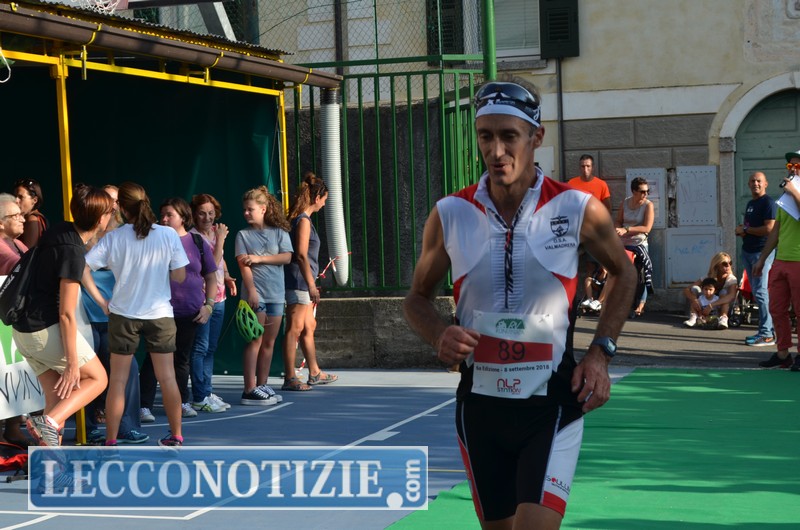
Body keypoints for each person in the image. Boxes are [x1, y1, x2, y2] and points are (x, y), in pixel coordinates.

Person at [403, 81, 636, 529]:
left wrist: (600, 353)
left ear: (536, 137)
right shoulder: (450, 213)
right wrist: (438, 333)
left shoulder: (577, 207)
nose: (496, 151)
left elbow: (625, 273)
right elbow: (416, 298)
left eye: (509, 136)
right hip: (480, 406)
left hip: (552, 404)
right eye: (485, 136)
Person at [85, 182, 189, 447]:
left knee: (117, 381)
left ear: (121, 207)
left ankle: (110, 439)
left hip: (123, 314)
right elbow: (179, 275)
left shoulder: (114, 238)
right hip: (160, 314)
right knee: (167, 377)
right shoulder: (168, 234)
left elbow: (82, 267)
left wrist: (101, 300)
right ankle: (176, 435)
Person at [12, 184, 113, 447]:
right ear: (100, 219)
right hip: (43, 330)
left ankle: (50, 467)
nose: (112, 217)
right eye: (110, 212)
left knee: (57, 400)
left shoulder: (60, 231)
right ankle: (49, 422)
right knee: (98, 378)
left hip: (24, 333)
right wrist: (72, 363)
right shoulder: (73, 251)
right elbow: (67, 314)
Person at [138, 198, 218, 419]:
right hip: (159, 312)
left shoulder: (197, 242)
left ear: (183, 217)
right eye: (162, 215)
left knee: (181, 359)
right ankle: (144, 406)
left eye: (169, 215)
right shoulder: (153, 241)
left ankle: (182, 402)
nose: (164, 219)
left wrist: (209, 306)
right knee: (153, 358)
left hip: (189, 313)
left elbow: (211, 277)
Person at [82, 185, 149, 444]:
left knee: (128, 372)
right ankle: (87, 428)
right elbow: (78, 269)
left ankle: (127, 426)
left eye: (116, 201)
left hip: (116, 318)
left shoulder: (126, 235)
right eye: (108, 200)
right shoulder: (83, 233)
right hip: (85, 317)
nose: (113, 205)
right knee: (86, 375)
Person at [235, 186, 293, 404]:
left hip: (276, 295)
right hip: (255, 296)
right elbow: (243, 265)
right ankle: (249, 388)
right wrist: (251, 291)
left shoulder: (279, 232)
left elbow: (286, 257)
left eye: (250, 209)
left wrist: (259, 259)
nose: (246, 213)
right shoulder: (242, 235)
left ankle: (262, 384)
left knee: (269, 342)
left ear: (263, 209)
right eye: (244, 209)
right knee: (255, 340)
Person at [282, 173, 338, 391]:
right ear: (317, 198)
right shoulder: (303, 221)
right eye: (324, 199)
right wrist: (312, 285)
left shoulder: (301, 219)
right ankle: (290, 378)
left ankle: (314, 372)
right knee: (294, 328)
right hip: (299, 282)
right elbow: (301, 255)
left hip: (302, 281)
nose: (324, 204)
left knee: (308, 326)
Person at [189, 194, 236, 413]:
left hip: (220, 298)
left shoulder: (214, 233)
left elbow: (221, 261)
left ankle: (207, 392)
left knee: (211, 348)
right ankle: (199, 396)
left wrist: (226, 276)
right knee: (200, 347)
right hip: (202, 300)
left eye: (211, 213)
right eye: (202, 213)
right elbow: (210, 264)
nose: (207, 217)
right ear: (194, 215)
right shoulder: (193, 237)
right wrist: (222, 238)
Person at [755, 149, 800, 369]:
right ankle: (783, 354)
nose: (793, 170)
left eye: (797, 166)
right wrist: (762, 259)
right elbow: (775, 232)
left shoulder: (792, 194)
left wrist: (795, 193)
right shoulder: (785, 198)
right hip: (781, 260)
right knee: (776, 308)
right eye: (790, 166)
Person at [0, 194, 30, 446]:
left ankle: (12, 427)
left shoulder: (18, 244)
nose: (22, 219)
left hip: (15, 322)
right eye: (15, 215)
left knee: (15, 373)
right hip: (5, 322)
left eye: (21, 214)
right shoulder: (4, 249)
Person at [735, 171, 777, 347]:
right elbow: (750, 227)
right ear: (748, 184)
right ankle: (765, 331)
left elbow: (769, 229)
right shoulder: (751, 203)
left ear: (766, 184)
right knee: (757, 293)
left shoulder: (768, 203)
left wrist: (745, 230)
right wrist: (742, 231)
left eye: (759, 181)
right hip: (748, 251)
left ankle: (767, 334)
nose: (755, 184)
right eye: (752, 181)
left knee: (761, 292)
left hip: (761, 253)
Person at [568, 155, 613, 313]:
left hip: (595, 233)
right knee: (572, 265)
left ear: (592, 167)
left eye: (588, 166)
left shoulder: (601, 184)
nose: (585, 169)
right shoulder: (572, 183)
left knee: (596, 267)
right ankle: (579, 299)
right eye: (582, 166)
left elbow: (607, 208)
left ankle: (596, 301)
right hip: (576, 232)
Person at [614, 177, 655, 316]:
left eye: (647, 191)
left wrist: (627, 229)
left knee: (642, 272)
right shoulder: (625, 203)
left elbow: (647, 228)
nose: (645, 194)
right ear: (633, 191)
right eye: (642, 191)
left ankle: (641, 304)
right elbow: (618, 221)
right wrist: (617, 229)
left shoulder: (648, 205)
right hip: (623, 242)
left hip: (638, 242)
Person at [683, 252, 738, 329]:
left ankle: (723, 319)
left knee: (724, 292)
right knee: (694, 288)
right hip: (705, 303)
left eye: (730, 263)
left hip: (721, 306)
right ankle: (694, 317)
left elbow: (732, 296)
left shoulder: (731, 279)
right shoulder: (709, 276)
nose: (728, 266)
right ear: (717, 265)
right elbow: (686, 289)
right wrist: (694, 300)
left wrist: (711, 305)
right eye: (725, 264)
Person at [13, 178, 48, 249]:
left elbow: (28, 253)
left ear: (35, 200)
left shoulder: (32, 219)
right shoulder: (28, 218)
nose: (16, 200)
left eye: (20, 197)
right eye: (15, 196)